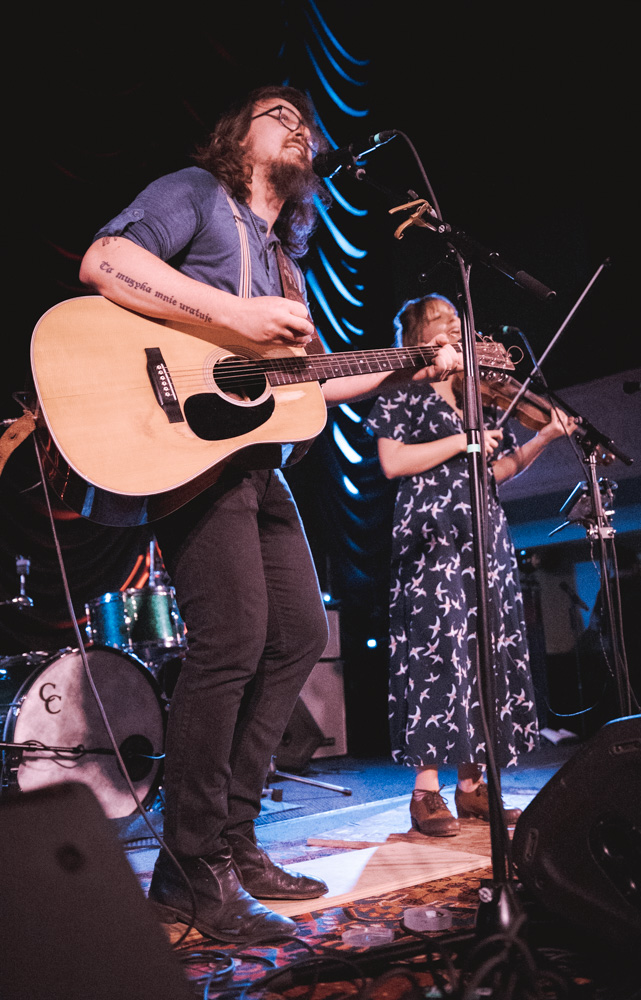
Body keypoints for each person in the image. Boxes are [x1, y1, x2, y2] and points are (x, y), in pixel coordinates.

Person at [78, 87, 462, 943]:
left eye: (305, 122)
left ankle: (234, 841)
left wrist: (409, 363)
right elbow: (104, 261)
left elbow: (309, 383)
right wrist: (232, 314)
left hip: (257, 465)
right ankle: (187, 870)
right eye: (275, 112)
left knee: (295, 635)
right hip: (189, 452)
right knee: (232, 640)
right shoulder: (194, 194)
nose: (297, 125)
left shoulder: (287, 261)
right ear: (236, 135)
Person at [365, 293, 578, 837]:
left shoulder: (474, 397)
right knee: (437, 650)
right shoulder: (402, 388)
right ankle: (425, 792)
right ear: (418, 335)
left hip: (484, 534)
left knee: (485, 649)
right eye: (442, 321)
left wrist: (544, 436)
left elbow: (496, 471)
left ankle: (471, 786)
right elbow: (393, 461)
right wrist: (465, 441)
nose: (456, 329)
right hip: (431, 533)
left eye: (459, 321)